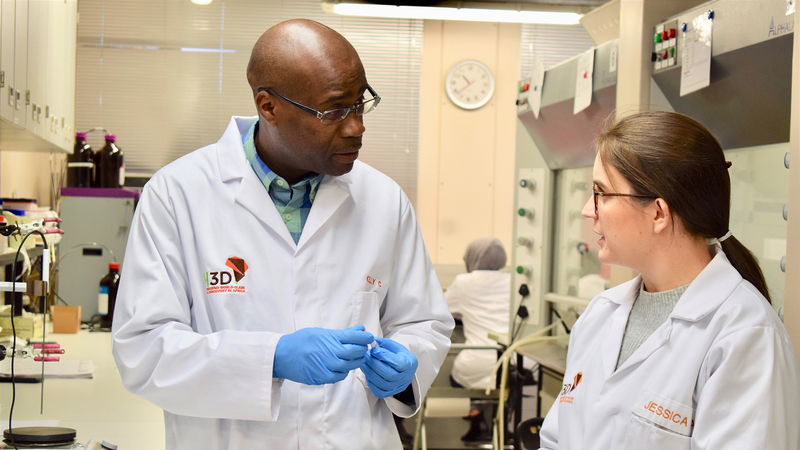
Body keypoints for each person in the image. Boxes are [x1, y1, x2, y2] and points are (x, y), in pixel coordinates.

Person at [111, 19, 454, 450]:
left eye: (360, 104)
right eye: (333, 111)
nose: (356, 128)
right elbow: (143, 350)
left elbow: (423, 322)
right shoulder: (177, 195)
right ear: (268, 107)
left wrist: (407, 367)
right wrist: (271, 358)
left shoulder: (384, 200)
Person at [538, 111, 800, 449]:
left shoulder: (744, 335)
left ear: (658, 213)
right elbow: (556, 439)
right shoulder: (600, 314)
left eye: (601, 193)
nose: (589, 209)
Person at [445, 237, 510, 441]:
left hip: (476, 361)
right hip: (511, 361)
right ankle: (499, 424)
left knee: (455, 377)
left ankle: (477, 415)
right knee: (507, 387)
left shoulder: (464, 281)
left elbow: (442, 310)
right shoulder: (513, 281)